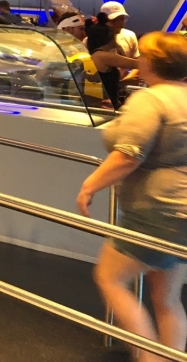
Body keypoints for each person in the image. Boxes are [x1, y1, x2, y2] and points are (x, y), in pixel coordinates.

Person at [78, 33, 187, 362]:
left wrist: (90, 186)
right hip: (181, 214)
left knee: (109, 277)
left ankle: (148, 358)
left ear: (152, 62)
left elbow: (129, 154)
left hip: (156, 209)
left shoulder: (150, 99)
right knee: (166, 297)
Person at [84, 13, 139, 107]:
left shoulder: (98, 54)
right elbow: (137, 64)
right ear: (109, 37)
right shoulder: (104, 56)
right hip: (104, 105)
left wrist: (123, 83)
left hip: (105, 103)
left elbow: (105, 83)